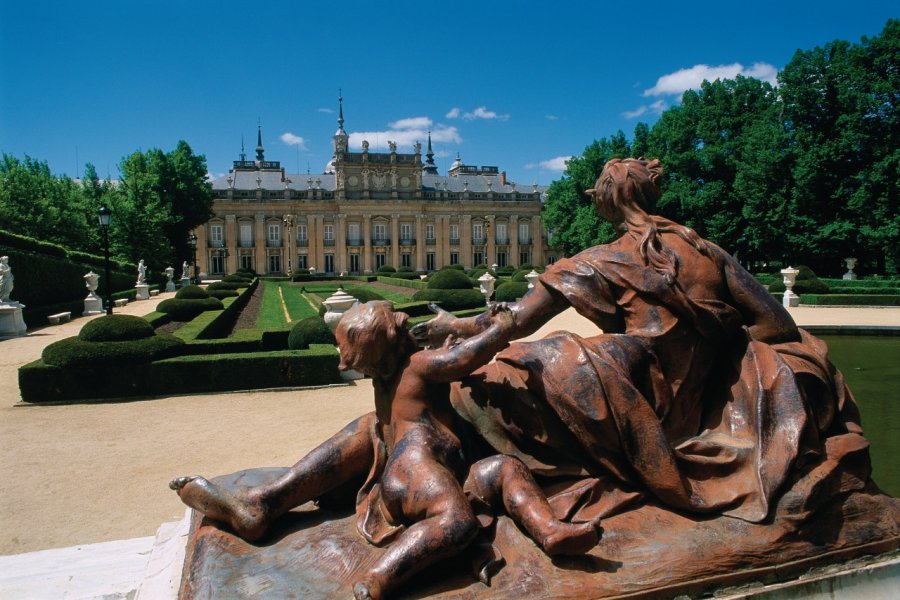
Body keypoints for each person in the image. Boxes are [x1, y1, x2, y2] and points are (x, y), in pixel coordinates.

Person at [413, 157, 867, 525]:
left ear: (605, 202)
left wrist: (462, 328)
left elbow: (514, 322)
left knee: (498, 377)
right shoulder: (709, 251)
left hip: (635, 404)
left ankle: (453, 490)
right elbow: (777, 324)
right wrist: (720, 359)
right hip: (693, 402)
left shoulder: (600, 259)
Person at [172, 301, 598, 599]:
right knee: (457, 521)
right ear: (395, 343)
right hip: (418, 470)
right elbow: (464, 359)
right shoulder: (418, 365)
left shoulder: (384, 379)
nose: (405, 319)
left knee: (501, 467)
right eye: (398, 322)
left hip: (405, 464)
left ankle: (549, 530)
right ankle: (381, 576)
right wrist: (500, 328)